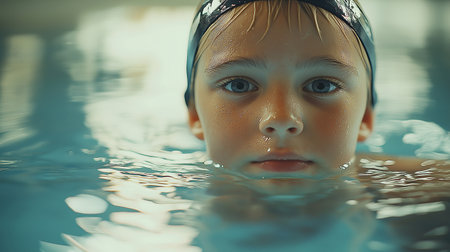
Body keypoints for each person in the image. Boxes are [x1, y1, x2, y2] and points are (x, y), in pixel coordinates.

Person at [184, 0, 448, 179]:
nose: (281, 119)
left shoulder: (417, 186)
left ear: (365, 116)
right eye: (238, 85)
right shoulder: (154, 187)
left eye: (321, 86)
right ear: (195, 114)